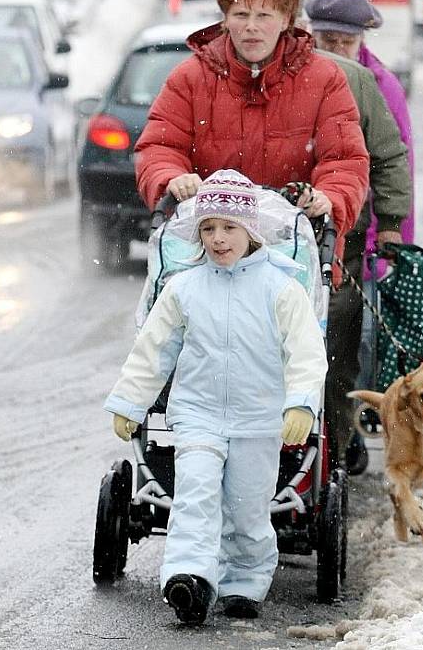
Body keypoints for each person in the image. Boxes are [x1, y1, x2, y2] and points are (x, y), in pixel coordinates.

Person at [104, 172, 327, 624]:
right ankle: (190, 578)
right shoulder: (184, 289)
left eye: (229, 227)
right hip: (199, 414)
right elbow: (154, 349)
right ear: (197, 234)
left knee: (247, 509)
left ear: (251, 231)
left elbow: (305, 351)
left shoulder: (281, 289)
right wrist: (130, 401)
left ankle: (244, 581)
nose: (219, 239)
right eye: (208, 229)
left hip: (258, 417)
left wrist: (301, 402)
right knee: (195, 497)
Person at [135, 0, 370, 290]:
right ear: (225, 19)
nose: (251, 27)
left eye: (264, 16)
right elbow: (160, 146)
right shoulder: (190, 79)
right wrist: (171, 179)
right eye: (241, 15)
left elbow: (344, 159)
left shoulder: (324, 79)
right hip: (208, 251)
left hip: (293, 252)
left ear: (286, 21)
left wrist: (329, 198)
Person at [304, 0, 413, 474]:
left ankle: (336, 438)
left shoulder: (375, 84)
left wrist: (391, 234)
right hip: (301, 227)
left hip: (353, 235)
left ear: (359, 40)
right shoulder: (300, 75)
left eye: (342, 42)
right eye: (323, 38)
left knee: (344, 344)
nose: (332, 49)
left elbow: (396, 161)